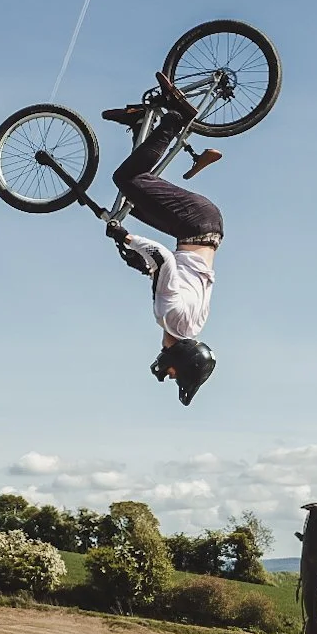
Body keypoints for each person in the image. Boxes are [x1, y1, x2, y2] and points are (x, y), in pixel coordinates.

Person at [102, 72, 225, 406]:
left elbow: (178, 274)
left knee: (131, 202)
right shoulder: (169, 318)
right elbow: (166, 258)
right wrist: (128, 239)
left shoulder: (194, 324)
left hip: (204, 228)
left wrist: (146, 268)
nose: (166, 370)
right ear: (180, 360)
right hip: (193, 224)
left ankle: (142, 123)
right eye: (173, 373)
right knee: (126, 180)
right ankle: (176, 119)